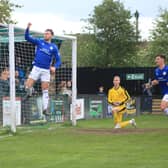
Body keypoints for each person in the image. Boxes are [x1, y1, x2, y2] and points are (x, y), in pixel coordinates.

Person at [24, 23, 61, 116]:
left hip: (46, 71)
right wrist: (28, 28)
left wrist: (54, 67)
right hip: (36, 68)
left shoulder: (54, 47)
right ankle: (30, 92)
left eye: (47, 34)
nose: (46, 35)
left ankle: (45, 109)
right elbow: (27, 37)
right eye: (45, 33)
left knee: (45, 90)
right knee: (27, 86)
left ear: (51, 35)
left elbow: (59, 60)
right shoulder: (39, 41)